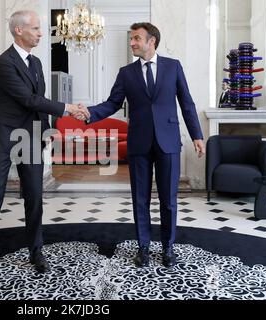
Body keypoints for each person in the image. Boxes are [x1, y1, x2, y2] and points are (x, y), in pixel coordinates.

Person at [0, 10, 89, 294]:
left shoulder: (36, 62)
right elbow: (27, 98)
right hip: (2, 135)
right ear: (19, 31)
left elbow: (37, 104)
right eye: (35, 28)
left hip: (31, 137)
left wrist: (46, 132)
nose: (40, 33)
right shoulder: (3, 63)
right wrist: (68, 108)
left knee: (34, 196)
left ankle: (35, 252)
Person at [79, 22, 205, 268]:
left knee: (168, 199)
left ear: (152, 41)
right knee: (140, 199)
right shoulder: (126, 73)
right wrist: (89, 113)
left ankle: (168, 248)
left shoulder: (173, 67)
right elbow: (112, 103)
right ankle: (143, 248)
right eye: (131, 39)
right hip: (139, 142)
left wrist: (197, 136)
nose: (132, 43)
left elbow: (187, 104)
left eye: (137, 38)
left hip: (168, 141)